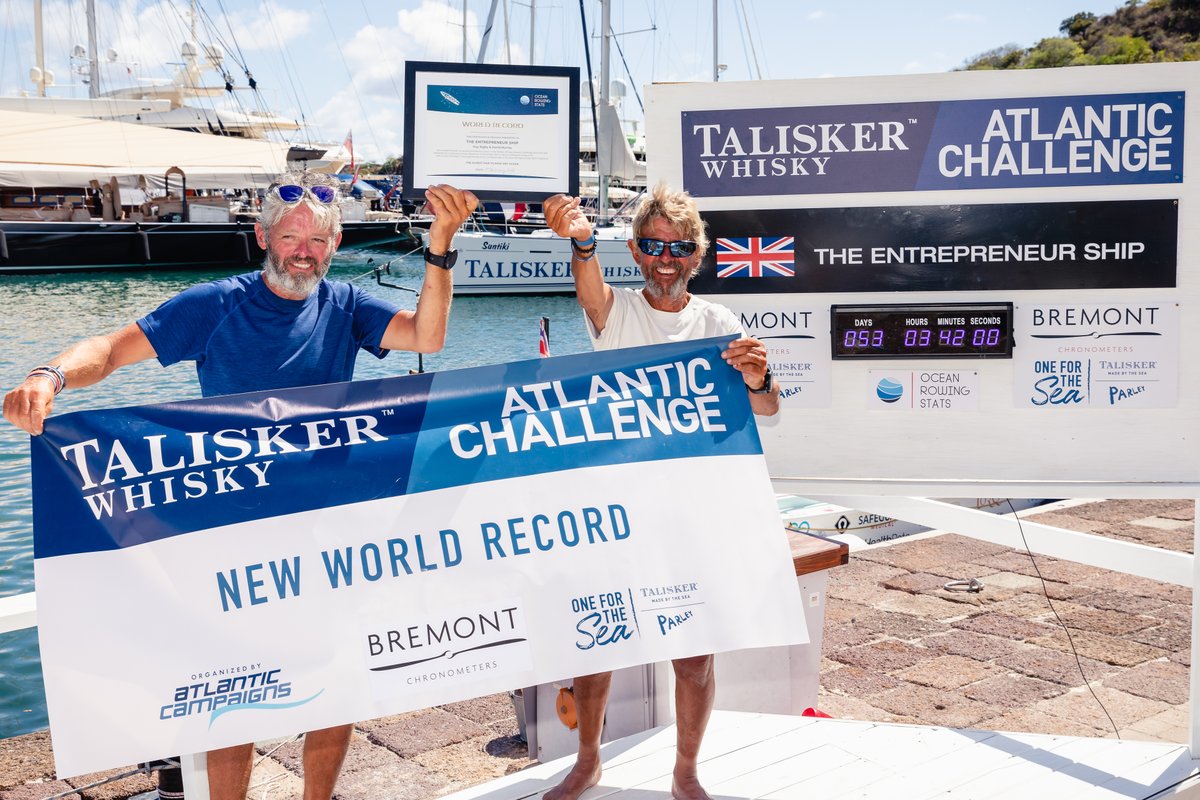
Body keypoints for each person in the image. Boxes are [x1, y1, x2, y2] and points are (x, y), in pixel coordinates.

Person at [3, 170, 478, 800]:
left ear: (335, 246)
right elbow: (112, 350)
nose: (303, 252)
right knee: (235, 693)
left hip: (326, 531)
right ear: (262, 236)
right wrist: (50, 375)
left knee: (335, 682)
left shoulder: (345, 306)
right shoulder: (215, 304)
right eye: (290, 237)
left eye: (317, 240)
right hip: (229, 533)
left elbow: (428, 336)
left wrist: (440, 244)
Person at [542, 183, 780, 800]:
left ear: (697, 253)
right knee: (594, 646)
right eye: (652, 246)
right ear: (635, 251)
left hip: (691, 519)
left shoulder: (720, 323)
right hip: (614, 513)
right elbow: (588, 287)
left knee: (694, 658)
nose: (665, 258)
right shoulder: (616, 311)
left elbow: (766, 408)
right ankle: (587, 763)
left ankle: (685, 773)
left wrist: (760, 377)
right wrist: (582, 242)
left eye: (678, 247)